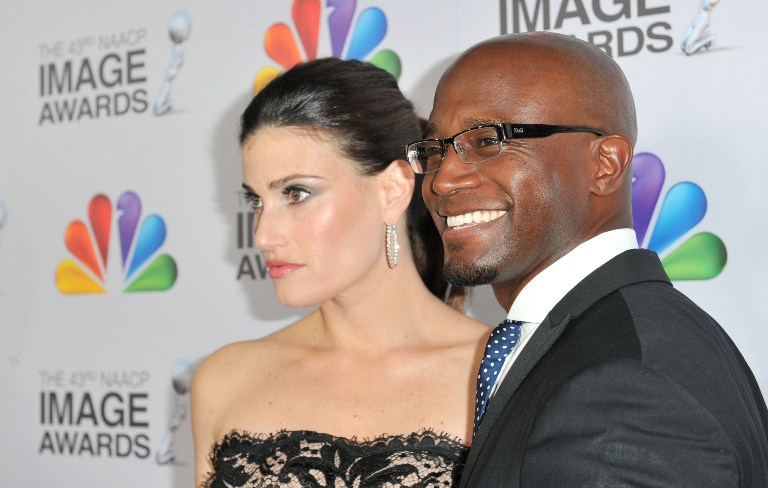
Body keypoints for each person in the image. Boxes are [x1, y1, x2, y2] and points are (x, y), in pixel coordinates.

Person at [407, 31, 768, 487]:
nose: (443, 180)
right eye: (436, 149)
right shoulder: (614, 337)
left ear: (607, 165)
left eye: (487, 141)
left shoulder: (625, 388)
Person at [192, 58, 489, 488]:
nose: (263, 235)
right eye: (255, 201)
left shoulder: (499, 377)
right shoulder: (223, 381)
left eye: (296, 193)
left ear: (393, 189)